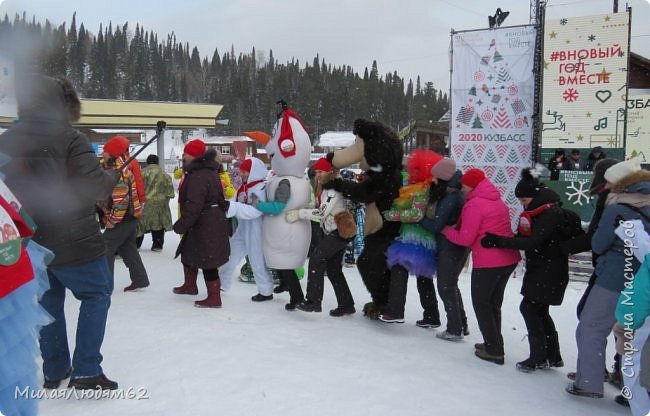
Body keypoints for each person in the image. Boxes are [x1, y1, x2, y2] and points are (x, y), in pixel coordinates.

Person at [0, 74, 120, 390]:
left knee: (48, 302)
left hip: (28, 242)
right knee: (95, 295)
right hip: (74, 239)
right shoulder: (70, 138)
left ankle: (54, 370)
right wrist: (110, 177)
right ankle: (86, 370)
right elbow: (93, 185)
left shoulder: (7, 139)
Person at [567, 157, 650, 399]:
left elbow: (598, 243)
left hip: (614, 278)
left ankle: (589, 382)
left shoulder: (616, 208)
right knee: (632, 333)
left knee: (591, 327)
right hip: (643, 280)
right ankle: (632, 392)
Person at [481, 168, 570, 371]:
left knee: (530, 308)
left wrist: (499, 241)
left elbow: (533, 242)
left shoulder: (548, 213)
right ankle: (552, 355)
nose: (522, 204)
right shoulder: (545, 210)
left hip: (546, 269)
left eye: (524, 200)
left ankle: (538, 356)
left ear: (535, 196)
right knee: (539, 310)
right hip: (546, 268)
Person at [443, 169, 520, 365]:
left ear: (471, 186)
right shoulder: (496, 200)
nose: (462, 188)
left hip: (489, 262)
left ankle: (494, 350)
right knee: (493, 304)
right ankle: (493, 343)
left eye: (464, 185)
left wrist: (447, 231)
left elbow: (465, 238)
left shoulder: (474, 205)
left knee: (482, 304)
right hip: (507, 259)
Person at [287, 157, 356, 316]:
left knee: (317, 258)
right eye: (316, 172)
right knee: (333, 270)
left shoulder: (333, 189)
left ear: (329, 171)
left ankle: (313, 301)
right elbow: (321, 207)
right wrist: (305, 207)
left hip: (338, 231)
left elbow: (321, 213)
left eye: (321, 171)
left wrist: (300, 213)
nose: (318, 175)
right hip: (334, 230)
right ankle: (346, 304)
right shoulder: (327, 187)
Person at [172, 140, 231, 308]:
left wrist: (182, 224)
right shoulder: (203, 171)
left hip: (206, 222)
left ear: (196, 156)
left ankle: (214, 298)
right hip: (206, 221)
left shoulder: (199, 174)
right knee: (190, 251)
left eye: (187, 153)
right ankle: (190, 286)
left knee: (208, 260)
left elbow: (194, 204)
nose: (184, 157)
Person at [420, 158, 471, 341]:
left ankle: (454, 329)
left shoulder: (451, 196)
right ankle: (461, 324)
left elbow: (436, 225)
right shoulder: (453, 191)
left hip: (450, 247)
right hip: (454, 246)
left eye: (434, 177)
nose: (432, 181)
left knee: (445, 287)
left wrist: (417, 218)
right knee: (451, 285)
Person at [219, 157, 275, 301]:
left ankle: (266, 290)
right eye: (242, 171)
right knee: (229, 255)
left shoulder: (261, 188)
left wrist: (232, 208)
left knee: (257, 260)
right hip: (244, 226)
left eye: (245, 171)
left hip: (257, 228)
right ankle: (221, 284)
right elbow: (238, 203)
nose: (243, 174)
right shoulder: (247, 186)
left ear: (254, 172)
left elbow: (256, 211)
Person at [99, 136, 150, 292]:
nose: (103, 153)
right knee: (128, 249)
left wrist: (112, 220)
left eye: (105, 151)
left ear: (113, 154)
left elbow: (120, 200)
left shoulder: (119, 172)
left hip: (122, 218)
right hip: (130, 216)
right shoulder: (116, 166)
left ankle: (105, 286)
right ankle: (140, 279)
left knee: (105, 247)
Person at [136, 154, 175, 252]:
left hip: (144, 203)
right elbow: (170, 193)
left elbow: (135, 188)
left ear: (147, 162)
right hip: (161, 203)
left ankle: (136, 244)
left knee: (140, 224)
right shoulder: (165, 175)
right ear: (157, 162)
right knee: (158, 223)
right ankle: (157, 244)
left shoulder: (141, 173)